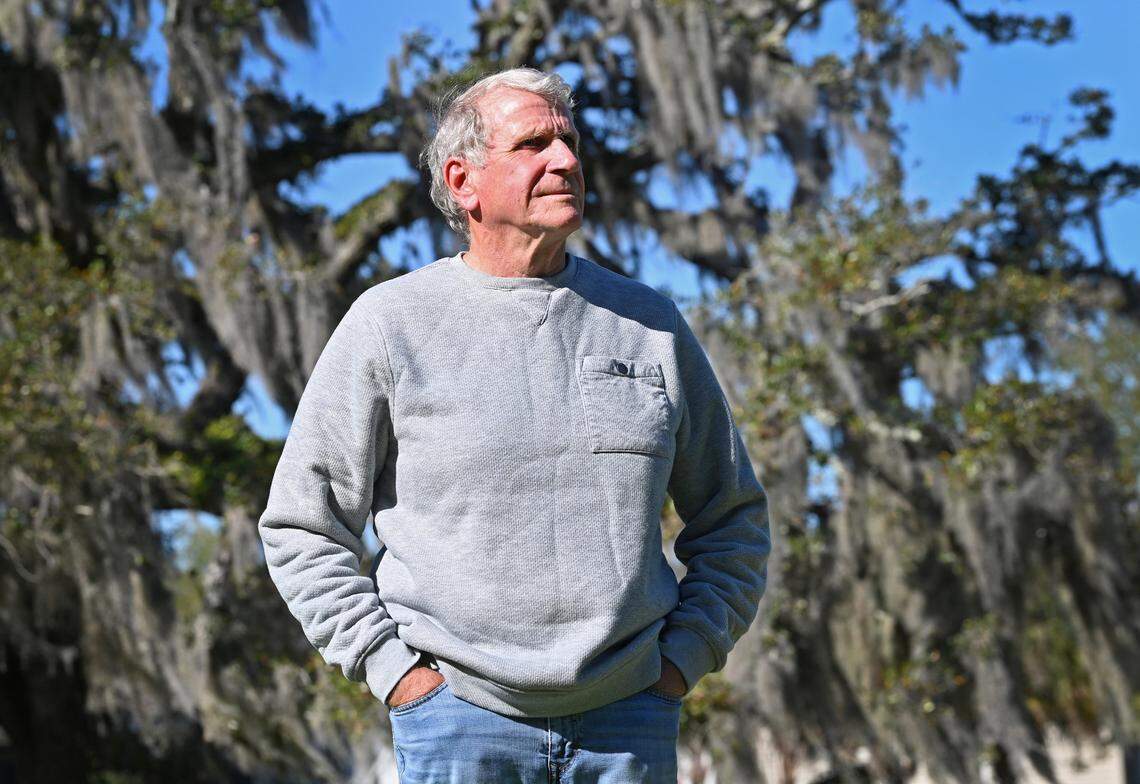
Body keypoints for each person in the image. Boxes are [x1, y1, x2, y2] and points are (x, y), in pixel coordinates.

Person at [257, 67, 772, 782]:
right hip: (457, 722)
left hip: (628, 724)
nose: (565, 160)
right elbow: (301, 526)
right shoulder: (390, 324)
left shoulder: (648, 324)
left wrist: (680, 664)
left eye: (568, 142)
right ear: (463, 181)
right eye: (532, 144)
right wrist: (399, 676)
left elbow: (734, 518)